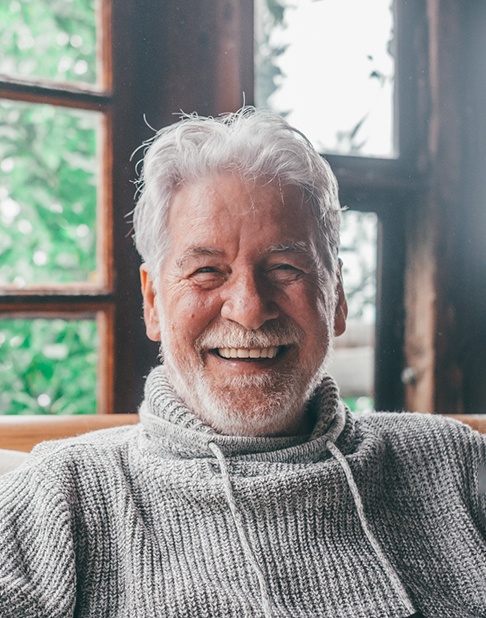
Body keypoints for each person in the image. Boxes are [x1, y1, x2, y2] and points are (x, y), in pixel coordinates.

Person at [0, 107, 485, 618]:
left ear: (337, 297)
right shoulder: (61, 496)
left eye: (285, 268)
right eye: (207, 271)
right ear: (152, 303)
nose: (250, 309)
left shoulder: (457, 464)